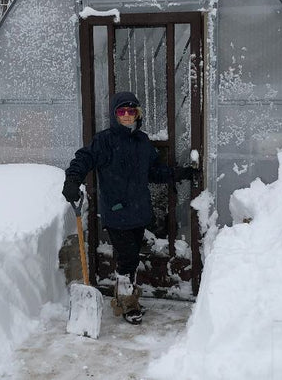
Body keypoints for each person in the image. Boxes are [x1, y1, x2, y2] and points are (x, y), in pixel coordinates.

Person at [62, 91, 193, 325]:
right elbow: (84, 159)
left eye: (131, 111)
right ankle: (127, 302)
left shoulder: (142, 142)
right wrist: (72, 179)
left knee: (130, 258)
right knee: (127, 258)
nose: (126, 115)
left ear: (137, 114)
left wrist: (178, 173)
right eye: (121, 111)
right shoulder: (104, 141)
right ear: (114, 115)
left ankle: (126, 295)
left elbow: (154, 171)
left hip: (139, 212)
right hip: (116, 212)